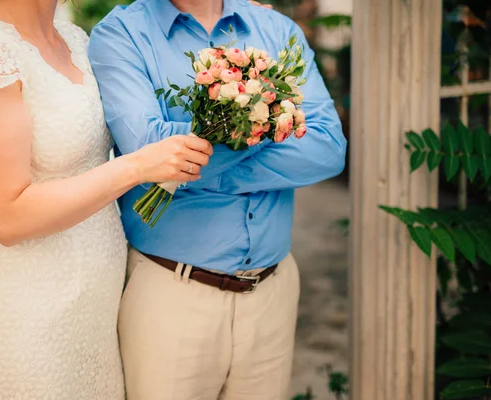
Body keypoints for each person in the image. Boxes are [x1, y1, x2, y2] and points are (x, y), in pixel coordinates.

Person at [0, 0, 213, 398]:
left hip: (97, 305)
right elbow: (7, 217)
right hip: (32, 314)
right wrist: (135, 168)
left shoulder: (74, 38)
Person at [88, 0, 348, 399]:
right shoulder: (122, 33)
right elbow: (151, 152)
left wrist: (202, 170)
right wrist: (273, 128)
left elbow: (327, 148)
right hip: (171, 297)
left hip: (273, 293)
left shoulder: (276, 30)